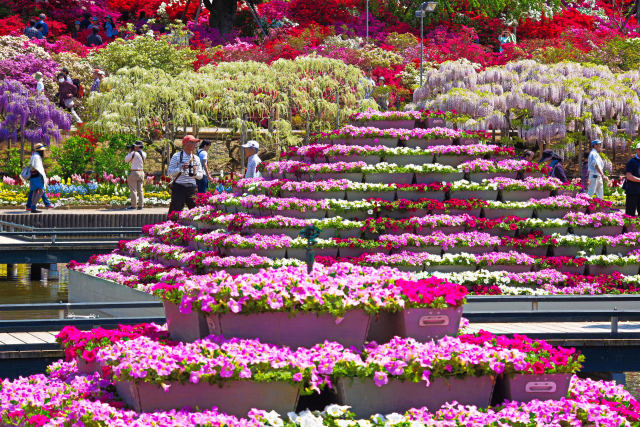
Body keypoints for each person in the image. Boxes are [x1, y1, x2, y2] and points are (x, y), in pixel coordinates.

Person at [167, 135, 204, 214]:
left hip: (192, 188)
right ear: (185, 143)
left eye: (195, 143)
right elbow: (170, 172)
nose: (195, 145)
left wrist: (195, 173)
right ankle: (171, 225)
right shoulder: (176, 156)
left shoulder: (196, 158)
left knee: (196, 212)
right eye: (192, 142)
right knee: (175, 212)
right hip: (179, 187)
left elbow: (200, 176)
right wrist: (181, 168)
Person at [26, 143, 51, 213]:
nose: (43, 152)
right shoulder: (36, 157)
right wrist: (42, 175)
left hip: (34, 177)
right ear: (40, 151)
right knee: (40, 191)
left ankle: (29, 206)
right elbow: (36, 167)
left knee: (34, 191)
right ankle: (33, 207)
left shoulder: (35, 155)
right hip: (37, 177)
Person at [125, 141, 147, 210]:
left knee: (133, 190)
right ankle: (141, 206)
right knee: (140, 190)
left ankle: (133, 206)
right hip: (141, 172)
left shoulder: (133, 153)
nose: (133, 147)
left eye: (135, 146)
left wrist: (130, 151)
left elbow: (126, 160)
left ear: (137, 146)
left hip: (134, 172)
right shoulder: (144, 153)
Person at [623, 142, 640, 216]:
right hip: (632, 191)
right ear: (636, 150)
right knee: (630, 214)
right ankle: (627, 228)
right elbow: (629, 176)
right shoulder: (631, 162)